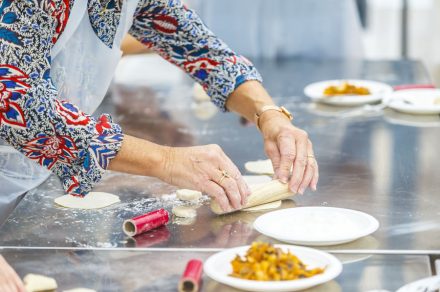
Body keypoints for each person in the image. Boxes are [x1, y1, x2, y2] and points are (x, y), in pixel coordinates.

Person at [0, 0, 318, 213]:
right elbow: (15, 99)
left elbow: (200, 49)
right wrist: (164, 160)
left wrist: (269, 114)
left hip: (36, 176)